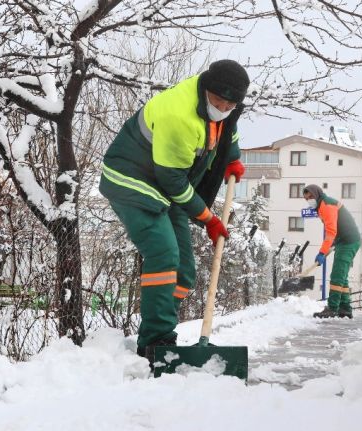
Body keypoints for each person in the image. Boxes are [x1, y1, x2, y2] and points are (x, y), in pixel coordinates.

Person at [99, 60, 250, 365]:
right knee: (164, 253)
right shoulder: (179, 115)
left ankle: (159, 318)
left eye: (229, 104)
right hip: (132, 180)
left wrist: (231, 159)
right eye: (217, 101)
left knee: (183, 273)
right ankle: (156, 342)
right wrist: (208, 218)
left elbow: (226, 130)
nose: (221, 107)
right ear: (205, 89)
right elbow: (173, 180)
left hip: (166, 187)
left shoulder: (221, 109)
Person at [303, 184, 361, 318]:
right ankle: (345, 308)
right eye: (306, 198)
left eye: (311, 196)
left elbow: (330, 232)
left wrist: (322, 252)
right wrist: (333, 243)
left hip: (349, 242)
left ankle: (333, 308)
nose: (309, 200)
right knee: (341, 276)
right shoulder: (321, 205)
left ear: (317, 194)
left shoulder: (326, 205)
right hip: (343, 241)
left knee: (336, 275)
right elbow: (335, 227)